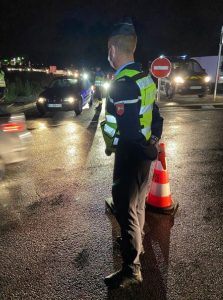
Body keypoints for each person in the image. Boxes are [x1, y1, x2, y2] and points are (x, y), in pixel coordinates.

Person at [102, 18, 164, 289]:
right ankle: (135, 247)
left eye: (108, 51)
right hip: (144, 156)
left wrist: (111, 142)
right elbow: (156, 117)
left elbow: (124, 132)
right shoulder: (146, 79)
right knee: (137, 205)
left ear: (113, 50)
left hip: (128, 155)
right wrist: (153, 143)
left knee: (125, 207)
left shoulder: (122, 84)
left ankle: (131, 269)